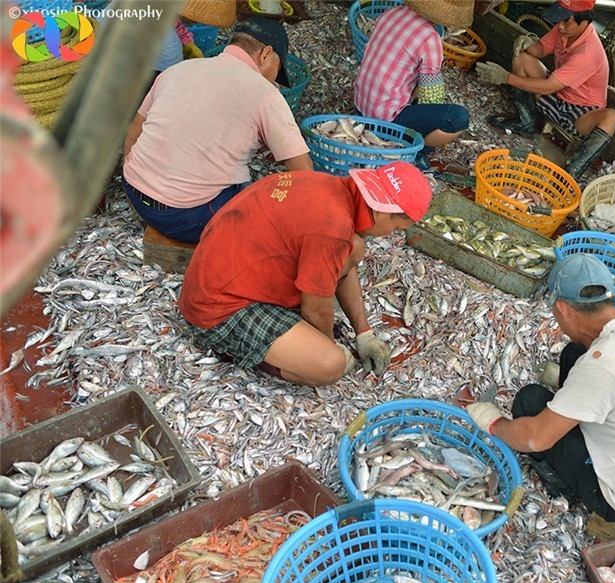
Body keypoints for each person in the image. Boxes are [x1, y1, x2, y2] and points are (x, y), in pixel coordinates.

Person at [466, 254, 615, 539]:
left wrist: (491, 421)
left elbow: (534, 438)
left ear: (563, 308)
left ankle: (559, 481)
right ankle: (572, 408)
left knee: (530, 402)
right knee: (574, 353)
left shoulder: (602, 364)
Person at [177, 162, 432, 387]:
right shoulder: (332, 228)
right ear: (381, 211)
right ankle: (261, 359)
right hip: (216, 308)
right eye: (397, 227)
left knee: (354, 247)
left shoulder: (333, 188)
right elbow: (315, 311)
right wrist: (329, 347)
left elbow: (343, 258)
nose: (392, 234)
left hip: (225, 274)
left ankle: (290, 345)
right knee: (329, 365)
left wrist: (363, 332)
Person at [122, 17, 311, 244]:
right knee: (260, 197)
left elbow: (134, 130)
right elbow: (303, 171)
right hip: (187, 217)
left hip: (134, 191)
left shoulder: (177, 70)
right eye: (276, 70)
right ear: (265, 54)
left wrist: (136, 176)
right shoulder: (266, 94)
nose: (273, 79)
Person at [474, 0, 615, 180]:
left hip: (580, 113)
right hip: (557, 95)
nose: (560, 26)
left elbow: (549, 85)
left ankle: (572, 171)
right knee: (522, 58)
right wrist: (527, 41)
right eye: (560, 20)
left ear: (584, 22)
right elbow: (540, 50)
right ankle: (526, 122)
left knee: (613, 116)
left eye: (566, 22)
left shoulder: (588, 53)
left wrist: (505, 78)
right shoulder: (563, 30)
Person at [354, 0, 473, 171]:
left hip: (361, 103)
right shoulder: (430, 39)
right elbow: (431, 98)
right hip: (386, 117)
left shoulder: (391, 13)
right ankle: (417, 154)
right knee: (458, 118)